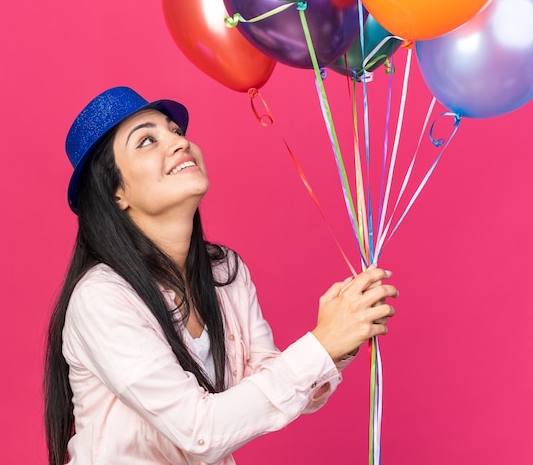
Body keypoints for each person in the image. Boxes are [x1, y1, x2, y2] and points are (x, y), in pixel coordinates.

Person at [44, 86, 398, 465]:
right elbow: (201, 431)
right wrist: (321, 345)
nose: (179, 143)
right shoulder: (101, 299)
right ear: (116, 194)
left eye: (175, 132)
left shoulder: (224, 270)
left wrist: (339, 339)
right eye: (147, 140)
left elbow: (266, 383)